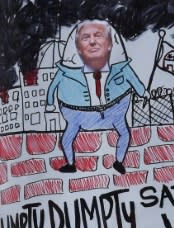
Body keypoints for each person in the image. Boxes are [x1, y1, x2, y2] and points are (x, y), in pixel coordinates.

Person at [46, 19, 145, 175]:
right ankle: (70, 164)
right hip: (79, 115)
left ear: (110, 44)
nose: (92, 42)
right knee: (67, 138)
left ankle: (119, 161)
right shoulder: (66, 72)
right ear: (78, 48)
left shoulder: (121, 69)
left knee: (125, 133)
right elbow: (52, 87)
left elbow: (135, 83)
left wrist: (143, 94)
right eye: (86, 38)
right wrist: (49, 103)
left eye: (98, 36)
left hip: (113, 111)